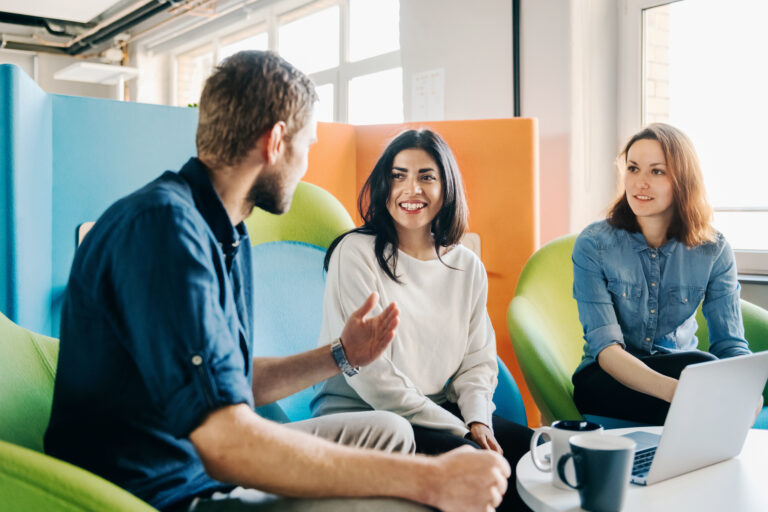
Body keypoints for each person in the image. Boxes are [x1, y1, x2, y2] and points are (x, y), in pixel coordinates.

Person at [44, 51, 510, 512]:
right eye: (306, 146)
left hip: (201, 460)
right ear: (275, 141)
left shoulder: (227, 233)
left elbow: (230, 383)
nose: (306, 163)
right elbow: (225, 443)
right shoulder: (164, 230)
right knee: (410, 502)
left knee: (388, 432)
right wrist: (430, 481)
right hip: (166, 488)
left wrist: (340, 355)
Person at [311, 129, 533, 511]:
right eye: (398, 176)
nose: (410, 189)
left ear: (447, 188)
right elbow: (372, 377)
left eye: (426, 177)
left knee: (535, 455)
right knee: (484, 472)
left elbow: (477, 360)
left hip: (434, 411)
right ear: (383, 185)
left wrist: (478, 419)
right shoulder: (356, 253)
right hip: (366, 415)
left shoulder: (466, 266)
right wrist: (460, 430)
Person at [571, 123, 756, 426]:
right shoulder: (594, 244)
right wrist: (680, 393)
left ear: (683, 180)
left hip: (683, 370)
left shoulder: (714, 249)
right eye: (633, 169)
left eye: (656, 171)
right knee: (701, 373)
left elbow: (729, 344)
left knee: (703, 369)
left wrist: (746, 389)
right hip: (608, 378)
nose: (639, 183)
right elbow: (606, 349)